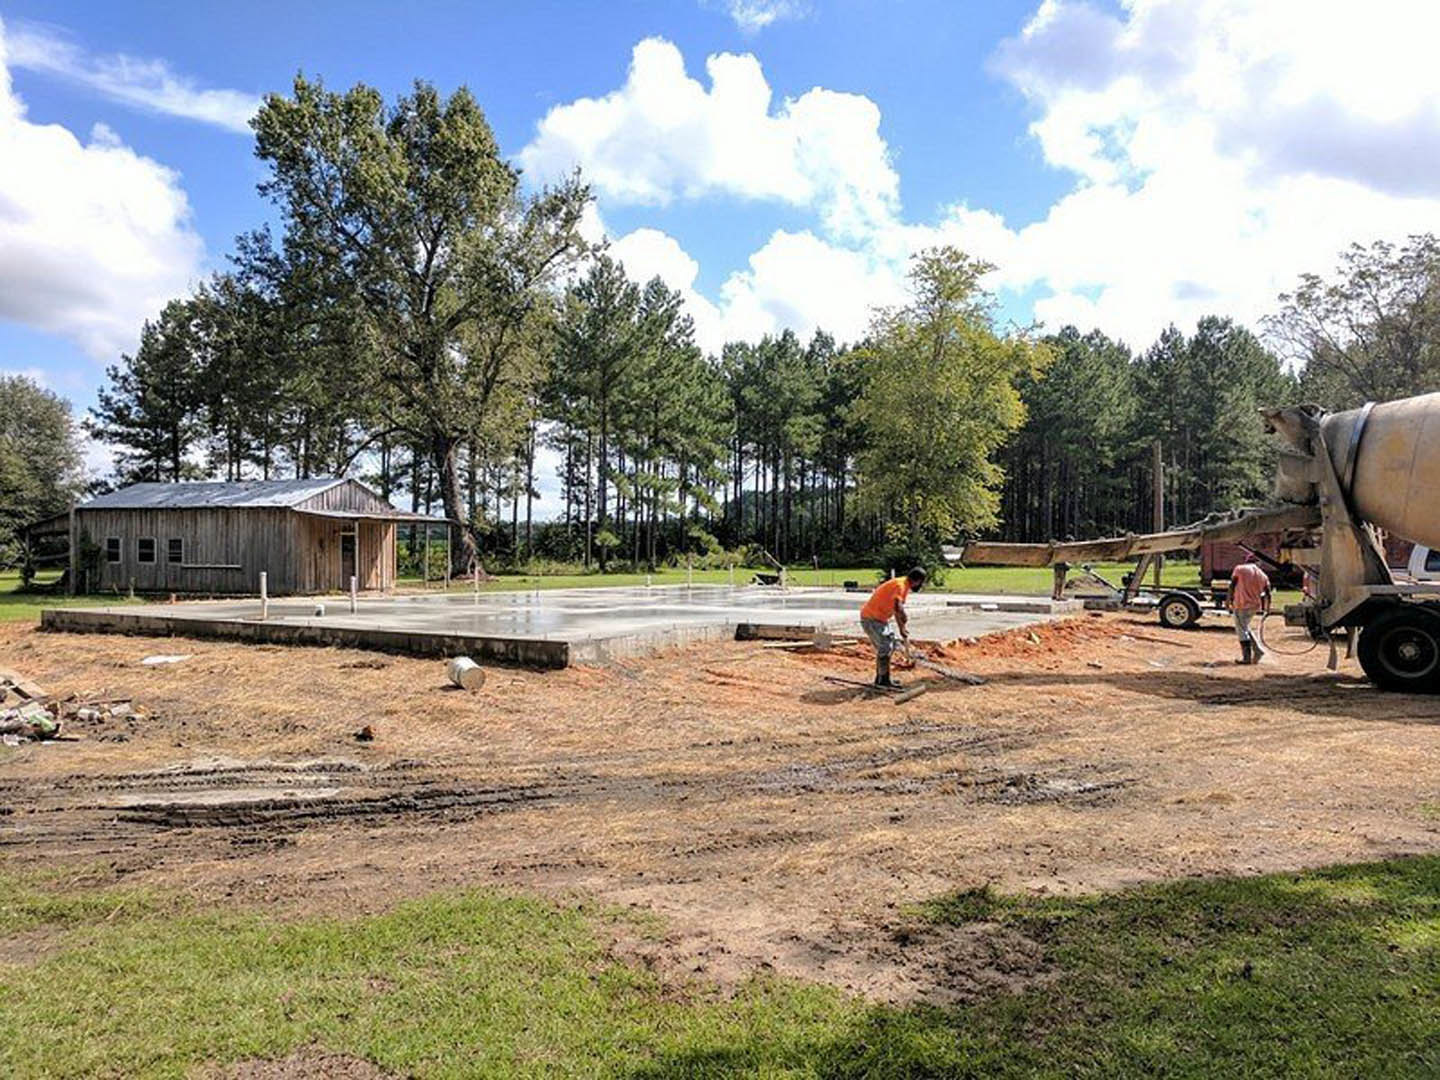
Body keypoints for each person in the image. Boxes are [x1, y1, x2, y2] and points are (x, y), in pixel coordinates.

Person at [860, 567, 927, 687]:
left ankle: (881, 678)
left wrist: (902, 629)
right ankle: (883, 680)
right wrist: (904, 615)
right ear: (917, 581)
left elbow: (896, 610)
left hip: (879, 620)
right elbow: (898, 607)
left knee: (889, 646)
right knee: (885, 647)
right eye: (921, 583)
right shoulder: (900, 586)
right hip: (871, 619)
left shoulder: (903, 585)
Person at [1229, 555, 1272, 664]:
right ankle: (1258, 650)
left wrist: (1228, 600)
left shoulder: (1240, 569)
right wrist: (1267, 608)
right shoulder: (1263, 575)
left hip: (1241, 604)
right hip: (1254, 606)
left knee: (1241, 630)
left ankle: (1246, 658)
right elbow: (1268, 593)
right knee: (1245, 627)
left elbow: (1232, 585)